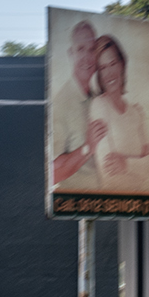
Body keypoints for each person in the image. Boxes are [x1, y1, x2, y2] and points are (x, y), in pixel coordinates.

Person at [85, 36, 149, 184]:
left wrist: (126, 164)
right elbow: (108, 170)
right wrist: (140, 162)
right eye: (102, 68)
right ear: (99, 74)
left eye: (113, 63)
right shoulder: (99, 106)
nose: (109, 73)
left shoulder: (136, 112)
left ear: (122, 64)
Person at [49, 19, 108, 187]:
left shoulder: (98, 97)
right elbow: (52, 173)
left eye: (91, 50)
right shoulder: (60, 104)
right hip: (75, 210)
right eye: (80, 49)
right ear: (71, 53)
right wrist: (88, 147)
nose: (87, 58)